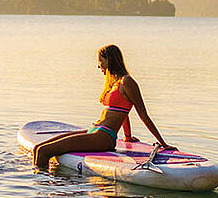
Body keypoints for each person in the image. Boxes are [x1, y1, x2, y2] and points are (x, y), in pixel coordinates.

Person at [32, 44, 172, 168]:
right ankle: (45, 180)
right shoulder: (114, 83)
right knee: (38, 148)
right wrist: (127, 137)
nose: (98, 65)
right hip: (94, 130)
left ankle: (42, 187)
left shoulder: (127, 82)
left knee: (44, 151)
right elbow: (123, 112)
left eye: (100, 61)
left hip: (104, 137)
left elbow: (143, 115)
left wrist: (163, 144)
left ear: (109, 60)